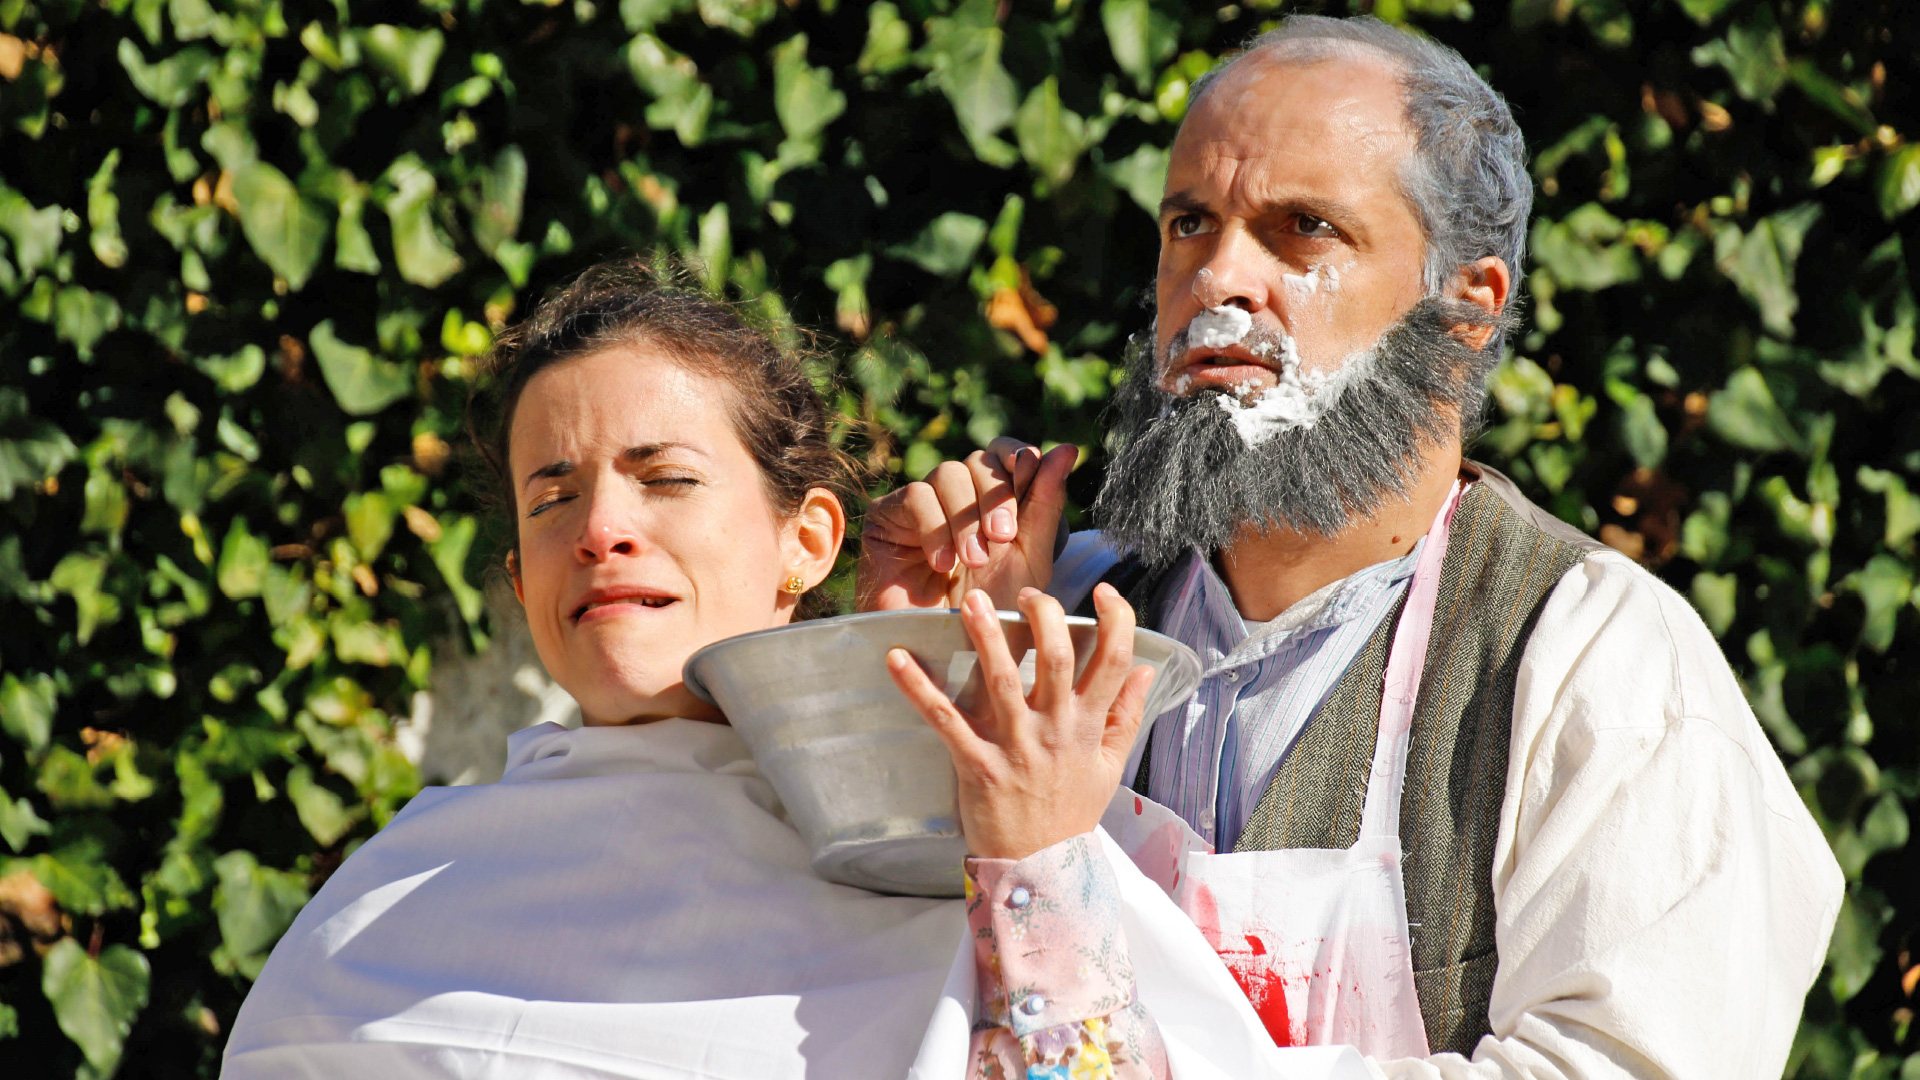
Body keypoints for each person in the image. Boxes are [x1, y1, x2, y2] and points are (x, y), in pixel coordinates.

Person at [862, 15, 1844, 1080]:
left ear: (1465, 310)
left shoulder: (1590, 659)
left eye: (1302, 230)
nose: (1217, 280)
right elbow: (866, 994)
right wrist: (947, 662)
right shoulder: (1073, 606)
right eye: (1190, 224)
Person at [220, 262, 1200, 1078]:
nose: (601, 532)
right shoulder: (382, 907)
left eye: (667, 480)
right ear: (520, 581)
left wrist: (969, 751)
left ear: (807, 540)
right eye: (551, 499)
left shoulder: (983, 867)